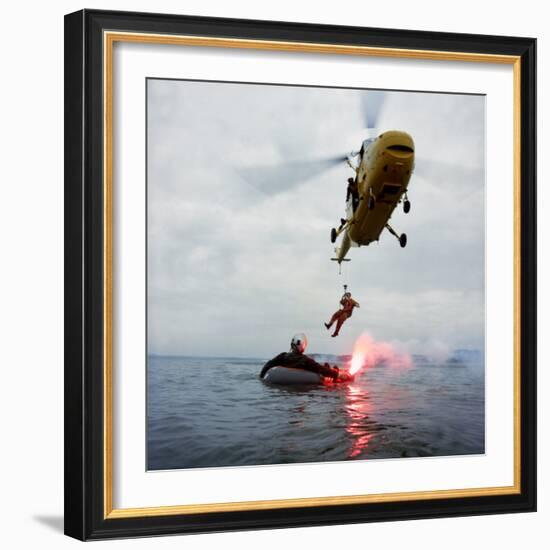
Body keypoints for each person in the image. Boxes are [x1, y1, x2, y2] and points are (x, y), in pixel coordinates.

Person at [260, 333, 352, 382]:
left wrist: (261, 377)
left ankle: (334, 371)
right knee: (325, 370)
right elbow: (319, 368)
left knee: (324, 368)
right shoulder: (304, 360)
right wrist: (337, 375)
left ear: (292, 344)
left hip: (280, 385)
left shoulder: (282, 356)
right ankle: (337, 372)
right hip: (303, 380)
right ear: (303, 347)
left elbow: (268, 364)